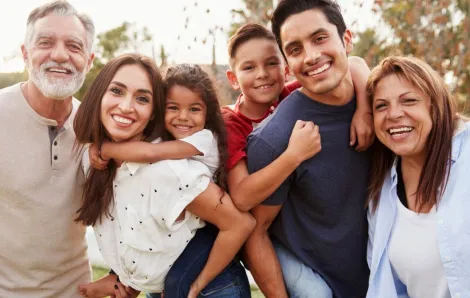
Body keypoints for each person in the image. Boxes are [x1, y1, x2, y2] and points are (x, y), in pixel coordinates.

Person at [74, 56, 254, 298]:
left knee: (178, 283)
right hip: (162, 281)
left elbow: (240, 224)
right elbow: (149, 237)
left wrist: (104, 149)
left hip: (210, 286)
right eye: (116, 90)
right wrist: (125, 281)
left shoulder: (171, 168)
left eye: (142, 98)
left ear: (152, 112)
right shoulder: (97, 163)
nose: (127, 106)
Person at [244, 1, 371, 297]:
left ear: (347, 39)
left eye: (320, 38)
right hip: (320, 284)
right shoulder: (275, 140)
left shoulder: (381, 104)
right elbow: (256, 231)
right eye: (295, 49)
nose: (311, 56)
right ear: (287, 63)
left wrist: (365, 108)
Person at [223, 22, 372, 214]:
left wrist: (364, 110)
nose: (262, 74)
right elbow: (242, 198)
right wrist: (294, 155)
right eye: (249, 67)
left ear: (286, 70)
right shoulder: (230, 123)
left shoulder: (290, 97)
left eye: (271, 63)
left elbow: (354, 62)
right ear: (233, 79)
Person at [0, 1, 95, 297]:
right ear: (25, 53)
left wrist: (122, 279)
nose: (59, 55)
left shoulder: (97, 130)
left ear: (89, 60)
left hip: (75, 290)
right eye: (45, 43)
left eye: (74, 46)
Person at [366, 56, 470, 298]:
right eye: (381, 106)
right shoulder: (379, 200)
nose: (393, 114)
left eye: (409, 101)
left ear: (435, 105)